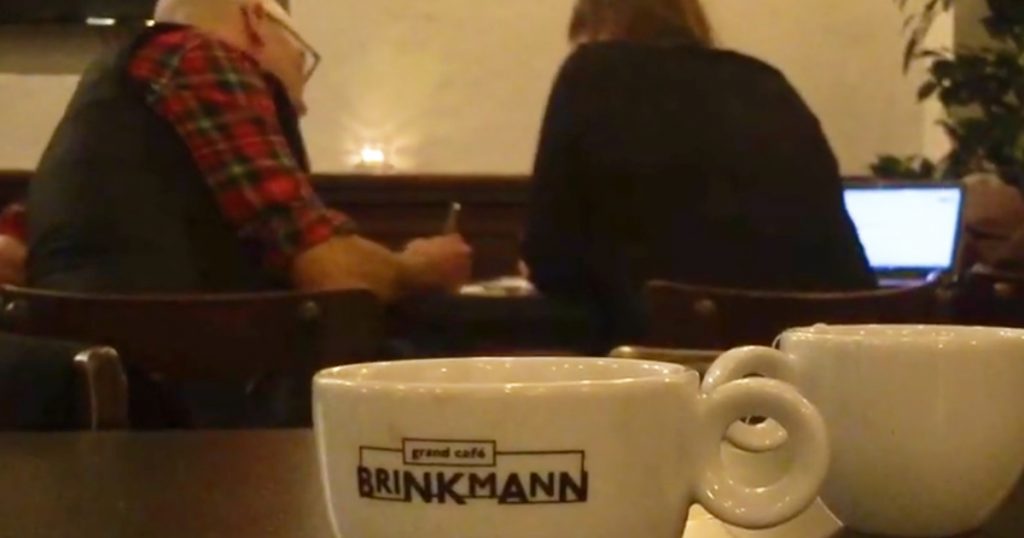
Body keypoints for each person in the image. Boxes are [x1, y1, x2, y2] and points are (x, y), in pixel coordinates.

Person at [28, 0, 471, 301]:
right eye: (302, 59)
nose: (302, 102)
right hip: (182, 380)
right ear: (255, 21)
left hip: (84, 373)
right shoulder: (201, 57)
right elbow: (331, 271)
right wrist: (417, 268)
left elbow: (12, 253)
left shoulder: (109, 91)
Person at [522, 0, 875, 345]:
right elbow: (848, 271)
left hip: (660, 365)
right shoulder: (768, 84)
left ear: (596, 25)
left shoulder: (590, 74)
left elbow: (549, 257)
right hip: (801, 366)